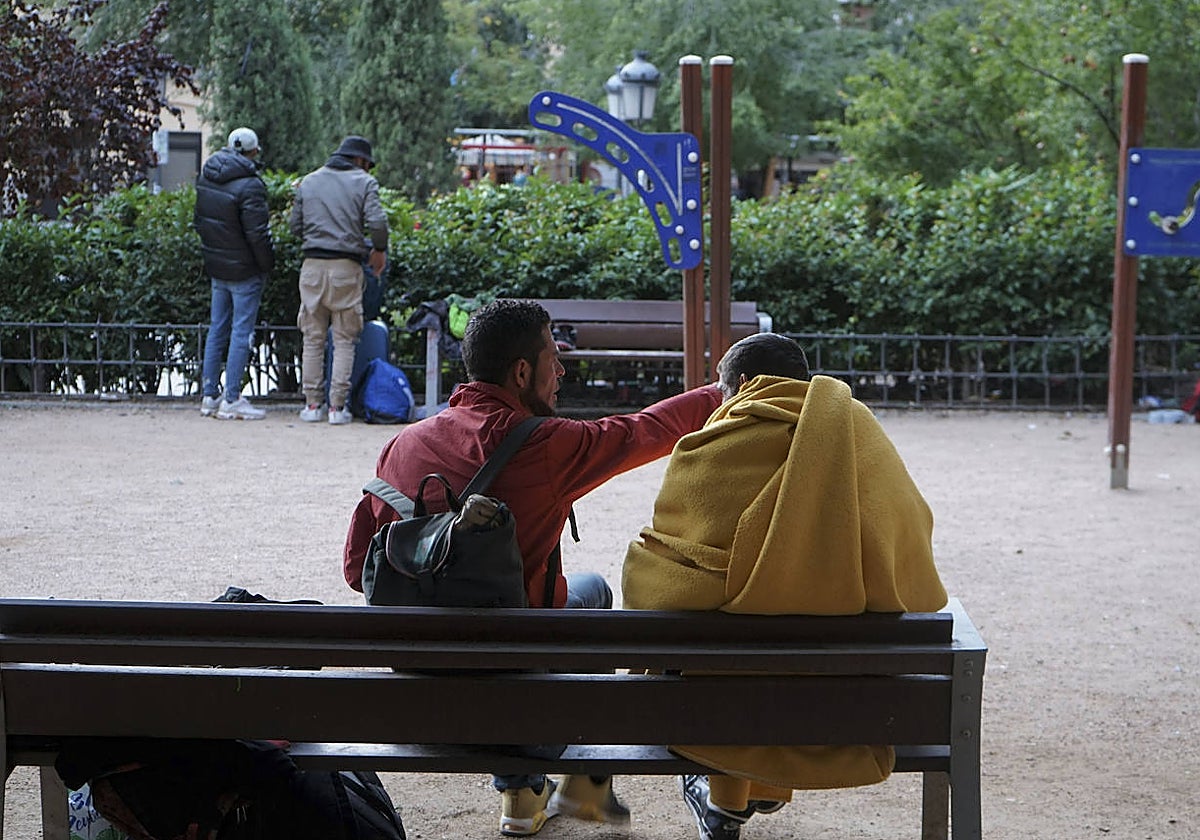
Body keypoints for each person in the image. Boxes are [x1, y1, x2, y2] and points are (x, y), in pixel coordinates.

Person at [343, 298, 723, 837]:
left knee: (498, 618)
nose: (562, 369)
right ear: (522, 372)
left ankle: (525, 793)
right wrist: (723, 391)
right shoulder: (546, 446)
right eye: (553, 357)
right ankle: (575, 785)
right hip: (516, 693)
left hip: (417, 691)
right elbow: (644, 430)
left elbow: (358, 569)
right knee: (589, 592)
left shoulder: (402, 446)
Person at [621, 332, 948, 840]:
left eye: (722, 393)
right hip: (845, 703)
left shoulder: (710, 448)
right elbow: (916, 570)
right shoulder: (864, 438)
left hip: (718, 700)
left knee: (717, 636)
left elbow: (658, 587)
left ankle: (732, 794)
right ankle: (759, 790)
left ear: (746, 386)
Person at [289, 135, 388, 425]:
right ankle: (337, 408)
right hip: (346, 267)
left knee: (312, 338)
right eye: (367, 164)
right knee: (344, 339)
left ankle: (311, 405)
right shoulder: (364, 183)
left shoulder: (309, 181)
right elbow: (378, 224)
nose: (367, 170)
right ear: (359, 160)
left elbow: (296, 226)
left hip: (312, 267)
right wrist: (378, 249)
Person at [194, 127, 274, 420]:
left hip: (217, 266)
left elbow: (199, 222)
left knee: (218, 329)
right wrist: (266, 265)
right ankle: (231, 398)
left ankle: (209, 395)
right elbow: (258, 234)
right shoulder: (250, 185)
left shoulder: (207, 176)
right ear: (253, 152)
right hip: (244, 269)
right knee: (241, 332)